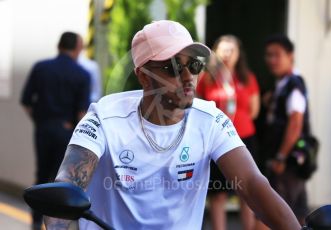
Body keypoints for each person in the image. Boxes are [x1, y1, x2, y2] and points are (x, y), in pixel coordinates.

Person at [44, 20, 300, 230]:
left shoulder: (211, 120)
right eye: (173, 67)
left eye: (194, 65)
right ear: (144, 76)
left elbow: (253, 184)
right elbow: (66, 189)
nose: (188, 77)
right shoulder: (103, 119)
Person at [21, 31, 90, 230]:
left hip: (43, 129)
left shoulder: (41, 68)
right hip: (66, 132)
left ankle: (35, 222)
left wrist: (40, 121)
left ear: (59, 46)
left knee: (41, 175)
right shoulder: (82, 74)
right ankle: (58, 225)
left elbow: (26, 102)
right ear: (77, 49)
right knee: (64, 180)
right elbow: (82, 112)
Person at [196, 35, 260, 230]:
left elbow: (254, 111)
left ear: (239, 54)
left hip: (244, 138)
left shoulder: (247, 78)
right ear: (216, 52)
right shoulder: (206, 79)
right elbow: (198, 107)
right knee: (218, 193)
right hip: (215, 141)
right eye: (223, 49)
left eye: (232, 50)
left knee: (247, 190)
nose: (227, 54)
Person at [259, 34, 310, 228]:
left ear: (291, 56)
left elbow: (296, 123)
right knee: (296, 218)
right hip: (290, 163)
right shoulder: (282, 84)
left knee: (270, 216)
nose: (271, 60)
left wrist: (281, 157)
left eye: (277, 55)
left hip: (287, 164)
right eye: (268, 55)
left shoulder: (294, 84)